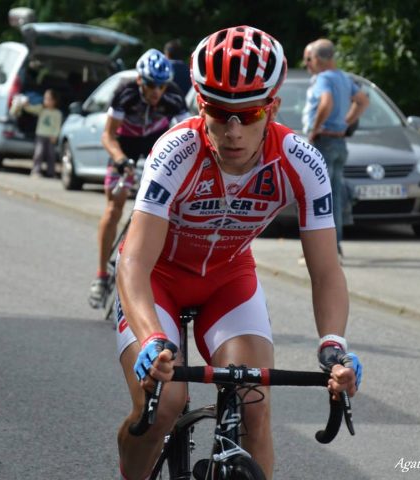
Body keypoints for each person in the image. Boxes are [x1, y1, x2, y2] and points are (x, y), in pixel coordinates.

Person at [115, 26, 363, 480]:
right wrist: (151, 338)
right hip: (158, 281)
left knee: (255, 406)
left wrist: (334, 347)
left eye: (247, 115)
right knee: (164, 404)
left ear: (273, 109)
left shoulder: (300, 161)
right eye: (218, 112)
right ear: (199, 104)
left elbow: (327, 271)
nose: (232, 131)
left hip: (228, 282)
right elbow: (133, 261)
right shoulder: (176, 151)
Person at [88, 49, 189, 309]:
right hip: (126, 144)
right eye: (152, 85)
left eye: (162, 85)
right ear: (141, 81)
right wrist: (121, 160)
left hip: (157, 143)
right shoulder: (125, 92)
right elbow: (107, 136)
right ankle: (100, 275)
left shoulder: (174, 96)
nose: (158, 92)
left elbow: (188, 137)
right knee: (114, 207)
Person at [302, 39, 369, 258]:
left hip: (324, 141)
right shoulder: (344, 77)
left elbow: (326, 103)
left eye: (309, 59)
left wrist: (314, 128)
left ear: (319, 59)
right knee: (335, 196)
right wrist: (345, 123)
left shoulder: (323, 78)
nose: (307, 64)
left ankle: (322, 252)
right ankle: (336, 247)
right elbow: (362, 101)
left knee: (317, 197)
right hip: (340, 142)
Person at [19, 88, 62, 178]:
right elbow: (31, 109)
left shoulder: (58, 113)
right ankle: (36, 171)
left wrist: (55, 136)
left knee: (51, 155)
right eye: (45, 98)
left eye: (48, 99)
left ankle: (51, 172)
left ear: (54, 101)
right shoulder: (41, 109)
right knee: (39, 153)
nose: (45, 101)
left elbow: (57, 126)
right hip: (40, 135)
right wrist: (25, 105)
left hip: (51, 136)